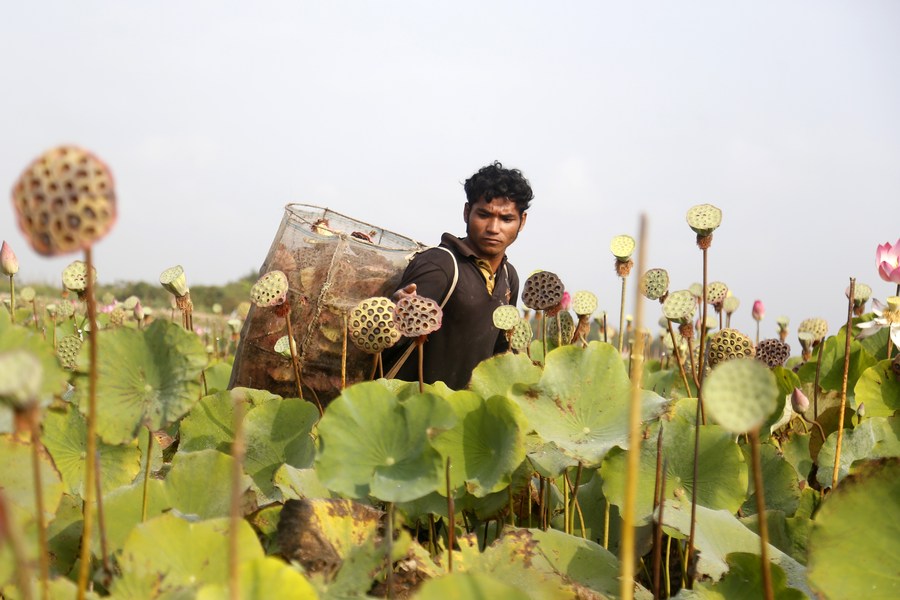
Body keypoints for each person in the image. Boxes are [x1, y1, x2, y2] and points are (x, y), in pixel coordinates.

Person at [384, 161, 533, 389]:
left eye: (506, 219)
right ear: (466, 212)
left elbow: (501, 353)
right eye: (484, 215)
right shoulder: (441, 265)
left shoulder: (508, 276)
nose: (493, 228)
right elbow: (389, 340)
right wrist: (394, 314)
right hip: (412, 411)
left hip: (465, 415)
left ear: (522, 222)